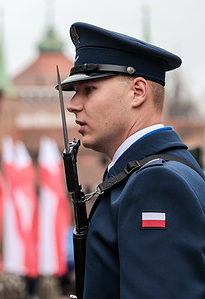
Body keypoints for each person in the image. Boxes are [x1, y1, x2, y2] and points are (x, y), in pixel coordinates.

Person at [59, 22, 205, 298]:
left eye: (89, 90)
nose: (73, 104)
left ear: (138, 91)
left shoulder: (155, 184)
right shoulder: (159, 171)